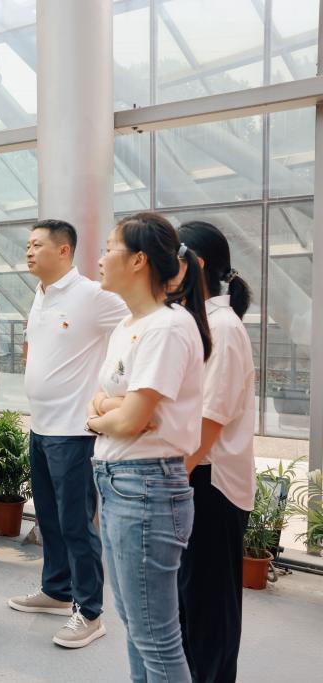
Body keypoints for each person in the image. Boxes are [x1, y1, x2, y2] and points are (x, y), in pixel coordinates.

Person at [87, 212, 210, 682]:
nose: (100, 259)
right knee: (138, 628)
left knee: (156, 638)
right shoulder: (129, 325)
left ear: (138, 260)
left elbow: (132, 420)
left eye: (109, 249)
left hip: (146, 486)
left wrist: (103, 417)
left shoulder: (166, 327)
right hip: (122, 482)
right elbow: (111, 406)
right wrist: (111, 412)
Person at [8, 219, 127, 649]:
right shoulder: (41, 295)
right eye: (27, 244)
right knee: (50, 519)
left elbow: (138, 325)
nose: (28, 251)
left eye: (37, 244)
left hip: (74, 431)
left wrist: (112, 387)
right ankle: (57, 590)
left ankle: (90, 612)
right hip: (41, 427)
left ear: (63, 250)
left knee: (77, 524)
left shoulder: (92, 296)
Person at [175, 221, 256, 683]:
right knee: (192, 601)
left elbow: (210, 420)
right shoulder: (200, 323)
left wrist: (172, 479)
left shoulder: (222, 329)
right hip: (195, 476)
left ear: (195, 263)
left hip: (209, 480)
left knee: (209, 607)